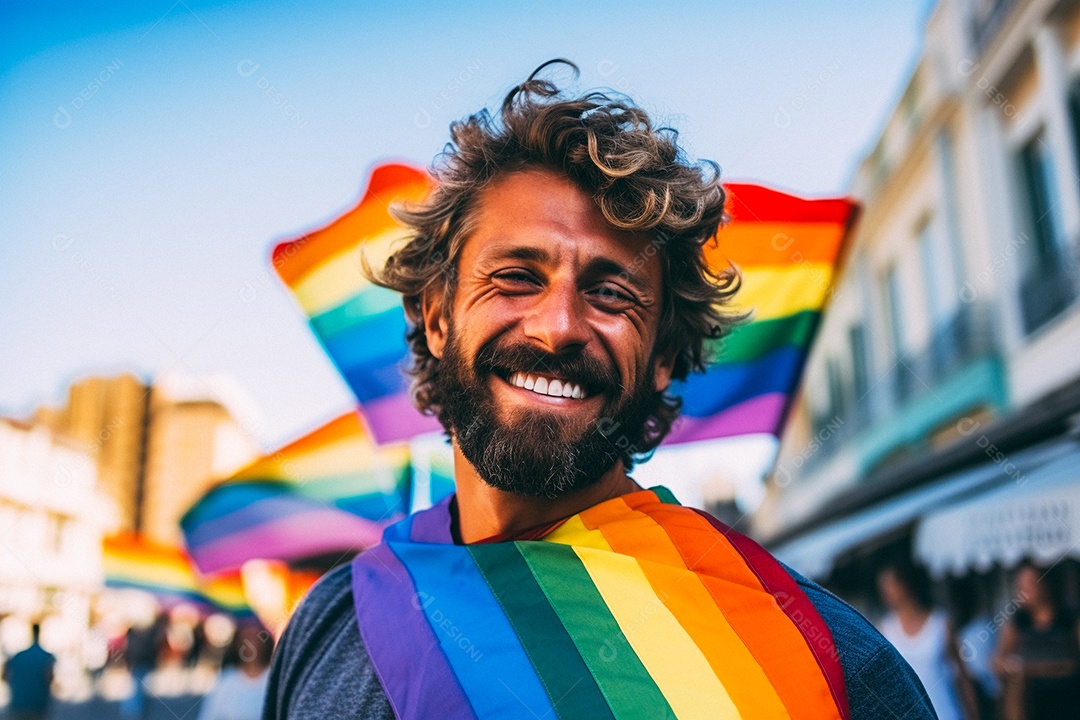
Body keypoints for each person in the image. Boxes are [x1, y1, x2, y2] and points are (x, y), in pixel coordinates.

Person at [264, 60, 936, 719]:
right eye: (517, 277)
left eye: (611, 293)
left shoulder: (828, 665)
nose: (558, 328)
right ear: (438, 319)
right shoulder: (331, 625)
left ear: (665, 357)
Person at [877, 564, 978, 720]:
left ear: (906, 584)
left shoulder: (941, 624)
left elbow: (963, 677)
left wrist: (973, 714)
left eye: (891, 585)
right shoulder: (884, 630)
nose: (885, 592)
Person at [993, 562, 1080, 720]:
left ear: (1045, 584)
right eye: (1019, 586)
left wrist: (1027, 668)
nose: (1022, 591)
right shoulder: (1017, 624)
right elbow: (997, 662)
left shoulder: (1068, 620)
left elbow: (1074, 664)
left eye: (1029, 584)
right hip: (1031, 705)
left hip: (1068, 703)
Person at [197, 621, 274, 720]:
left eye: (256, 638)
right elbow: (209, 715)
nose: (250, 644)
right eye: (246, 638)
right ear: (238, 642)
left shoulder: (274, 679)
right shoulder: (226, 680)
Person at [1, 622, 55, 720]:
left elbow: (4, 675)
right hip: (38, 703)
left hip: (18, 702)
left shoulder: (18, 656)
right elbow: (49, 678)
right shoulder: (46, 656)